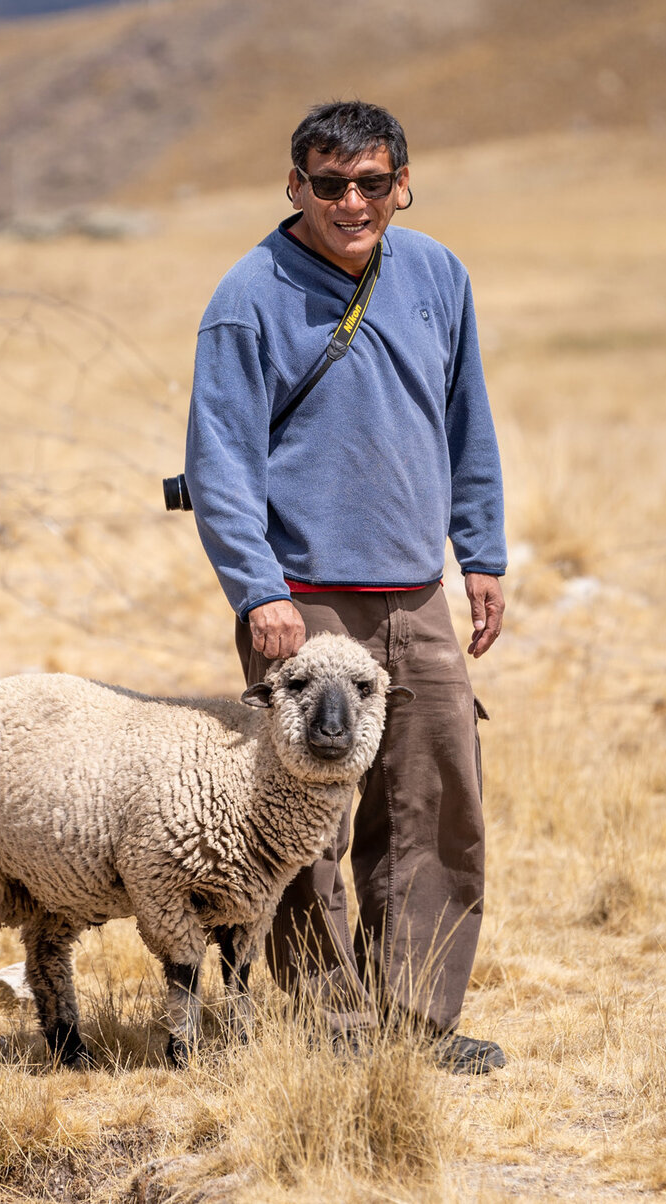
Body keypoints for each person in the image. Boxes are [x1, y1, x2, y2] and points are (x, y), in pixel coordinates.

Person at [183, 99, 506, 1075]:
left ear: (401, 184)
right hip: (303, 596)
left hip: (416, 595)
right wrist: (258, 591)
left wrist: (480, 552)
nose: (351, 201)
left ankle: (417, 1025)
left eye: (371, 182)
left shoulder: (436, 273)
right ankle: (333, 1027)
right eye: (329, 183)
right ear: (296, 188)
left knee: (434, 801)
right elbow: (219, 462)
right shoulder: (249, 297)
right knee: (303, 817)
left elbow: (466, 420)